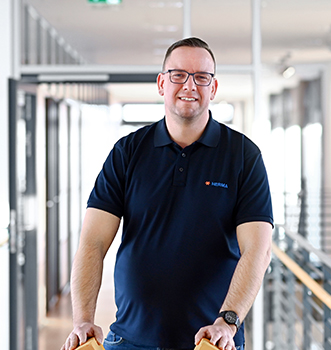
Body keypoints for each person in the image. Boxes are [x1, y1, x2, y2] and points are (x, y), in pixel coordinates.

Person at [61, 37, 273, 350]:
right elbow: (92, 242)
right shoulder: (127, 152)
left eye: (202, 77)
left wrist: (227, 322)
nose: (190, 85)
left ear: (213, 89)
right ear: (162, 83)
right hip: (129, 339)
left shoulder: (243, 156)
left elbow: (258, 250)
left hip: (212, 341)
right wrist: (82, 318)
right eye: (178, 75)